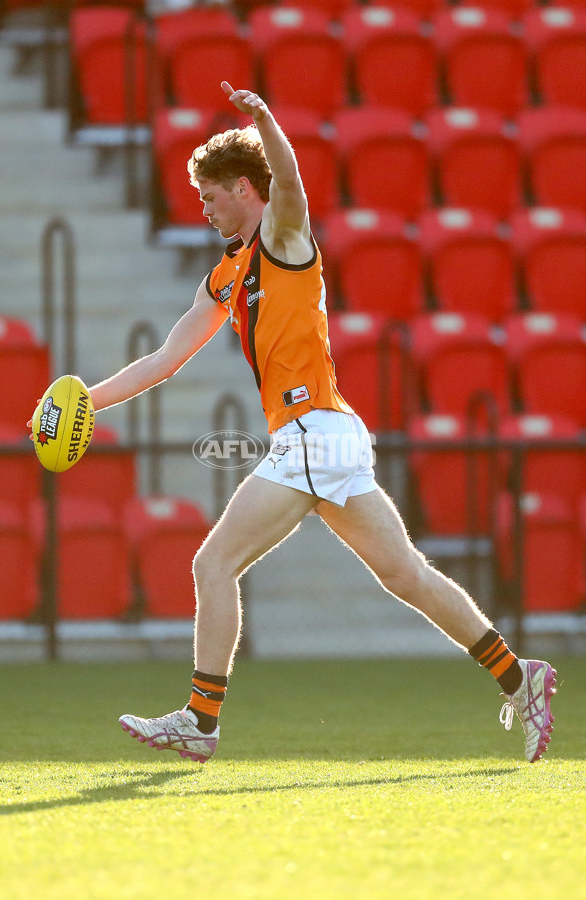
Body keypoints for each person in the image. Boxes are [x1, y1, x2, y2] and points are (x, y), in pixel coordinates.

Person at [79, 82, 556, 764]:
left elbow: (292, 186)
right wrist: (86, 405)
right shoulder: (226, 276)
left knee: (213, 563)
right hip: (328, 435)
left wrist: (266, 121)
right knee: (406, 575)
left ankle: (200, 723)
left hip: (310, 433)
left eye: (212, 197)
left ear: (244, 188)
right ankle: (520, 676)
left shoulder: (283, 237)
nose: (205, 211)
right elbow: (164, 359)